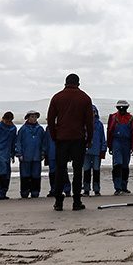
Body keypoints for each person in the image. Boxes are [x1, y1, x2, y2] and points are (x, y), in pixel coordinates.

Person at [45, 73, 94, 211]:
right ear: (78, 83)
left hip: (62, 139)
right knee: (78, 170)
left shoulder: (57, 97)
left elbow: (50, 120)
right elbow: (89, 122)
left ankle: (58, 201)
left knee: (60, 170)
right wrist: (89, 139)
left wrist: (54, 136)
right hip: (78, 139)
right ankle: (76, 201)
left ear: (65, 83)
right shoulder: (85, 98)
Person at [16, 112, 51, 198]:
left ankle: (35, 192)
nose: (34, 119)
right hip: (25, 156)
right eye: (32, 117)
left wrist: (43, 152)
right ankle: (24, 192)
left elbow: (44, 142)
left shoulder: (40, 129)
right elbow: (18, 142)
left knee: (36, 175)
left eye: (35, 117)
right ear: (27, 118)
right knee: (25, 175)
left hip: (37, 156)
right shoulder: (23, 129)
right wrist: (19, 153)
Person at [106, 100, 133, 195]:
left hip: (126, 143)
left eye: (123, 108)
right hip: (117, 142)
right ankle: (118, 187)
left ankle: (123, 187)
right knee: (117, 165)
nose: (121, 109)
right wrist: (110, 145)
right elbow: (109, 132)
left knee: (125, 166)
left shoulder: (132, 119)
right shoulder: (113, 117)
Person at [82, 105, 105, 196]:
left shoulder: (99, 124)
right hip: (86, 152)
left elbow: (102, 138)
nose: (92, 114)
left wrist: (103, 149)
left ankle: (97, 189)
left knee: (96, 170)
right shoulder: (82, 124)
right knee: (86, 171)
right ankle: (86, 190)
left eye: (93, 112)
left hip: (97, 152)